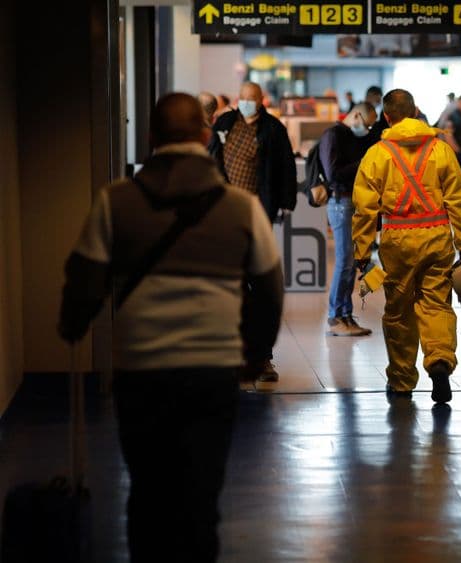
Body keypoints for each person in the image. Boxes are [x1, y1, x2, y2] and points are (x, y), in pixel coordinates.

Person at [57, 93, 283, 560]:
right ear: (205, 137)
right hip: (212, 370)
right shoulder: (241, 208)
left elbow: (83, 284)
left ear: (151, 137)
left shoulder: (114, 201)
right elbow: (270, 291)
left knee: (148, 494)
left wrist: (73, 323)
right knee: (200, 499)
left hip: (141, 371)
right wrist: (253, 354)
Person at [352, 89, 461, 403]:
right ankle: (439, 363)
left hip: (398, 242)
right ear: (417, 111)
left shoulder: (377, 154)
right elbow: (457, 201)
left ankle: (402, 380)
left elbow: (364, 210)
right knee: (436, 305)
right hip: (437, 238)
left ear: (387, 117)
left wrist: (362, 252)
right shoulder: (441, 149)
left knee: (399, 312)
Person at [208, 81, 297, 381]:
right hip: (224, 215)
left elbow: (285, 167)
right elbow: (211, 158)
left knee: (258, 283)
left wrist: (286, 202)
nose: (246, 103)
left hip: (258, 214)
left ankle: (262, 359)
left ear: (261, 101)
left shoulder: (273, 129)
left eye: (251, 99)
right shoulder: (225, 122)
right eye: (242, 98)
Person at [319, 102, 379, 336]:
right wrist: (363, 163)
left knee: (352, 261)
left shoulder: (352, 137)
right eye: (367, 123)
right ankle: (335, 317)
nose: (368, 128)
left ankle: (345, 314)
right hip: (340, 202)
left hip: (353, 202)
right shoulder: (333, 135)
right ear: (355, 115)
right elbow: (333, 173)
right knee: (344, 261)